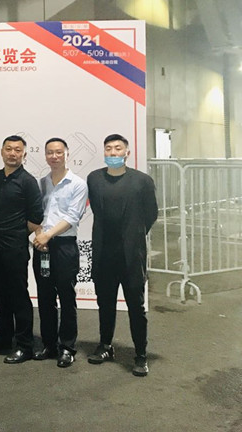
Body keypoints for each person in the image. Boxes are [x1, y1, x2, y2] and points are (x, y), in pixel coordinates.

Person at [86, 133, 158, 377]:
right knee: (105, 304)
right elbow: (96, 209)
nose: (113, 153)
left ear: (127, 152)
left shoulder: (142, 181)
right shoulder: (94, 178)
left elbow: (151, 214)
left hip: (131, 255)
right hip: (104, 253)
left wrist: (133, 235)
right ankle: (105, 346)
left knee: (136, 307)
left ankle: (141, 355)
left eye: (118, 148)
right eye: (109, 148)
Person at [0, 135, 44, 364]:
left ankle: (25, 345)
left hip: (15, 249)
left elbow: (36, 216)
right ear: (2, 152)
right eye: (8, 149)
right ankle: (3, 338)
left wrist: (17, 232)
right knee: (0, 295)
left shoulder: (28, 181)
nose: (12, 153)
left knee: (19, 296)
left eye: (18, 150)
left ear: (24, 155)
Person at [30, 138, 87, 368]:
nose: (54, 156)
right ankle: (49, 344)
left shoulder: (78, 184)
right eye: (50, 152)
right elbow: (36, 214)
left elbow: (73, 216)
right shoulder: (41, 183)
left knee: (66, 297)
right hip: (42, 247)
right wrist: (39, 235)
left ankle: (67, 347)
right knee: (44, 297)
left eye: (58, 152)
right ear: (45, 155)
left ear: (66, 154)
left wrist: (48, 235)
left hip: (64, 246)